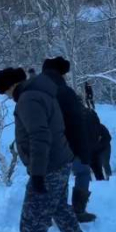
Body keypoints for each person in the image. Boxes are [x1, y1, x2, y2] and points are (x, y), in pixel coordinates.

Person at [0, 67, 83, 232]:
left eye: (5, 92)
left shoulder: (28, 100)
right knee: (57, 204)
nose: (7, 97)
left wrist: (37, 174)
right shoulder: (41, 93)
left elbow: (39, 136)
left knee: (33, 215)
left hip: (49, 166)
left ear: (11, 86)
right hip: (61, 159)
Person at [41, 57, 96, 223]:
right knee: (82, 171)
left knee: (53, 179)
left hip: (45, 145)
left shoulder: (36, 91)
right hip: (69, 144)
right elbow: (77, 123)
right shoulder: (65, 92)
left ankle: (51, 213)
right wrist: (83, 150)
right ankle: (77, 211)